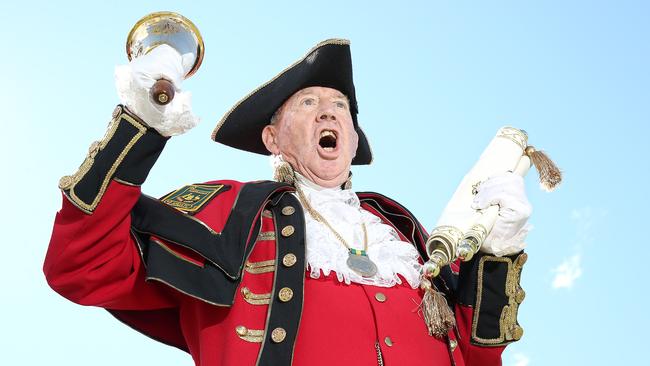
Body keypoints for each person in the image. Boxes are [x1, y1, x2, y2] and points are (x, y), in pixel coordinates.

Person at [44, 39, 532, 366]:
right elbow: (82, 265)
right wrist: (141, 124)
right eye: (308, 102)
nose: (329, 110)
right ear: (272, 138)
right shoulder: (230, 210)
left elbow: (476, 354)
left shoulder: (400, 233)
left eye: (340, 105)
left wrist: (498, 250)